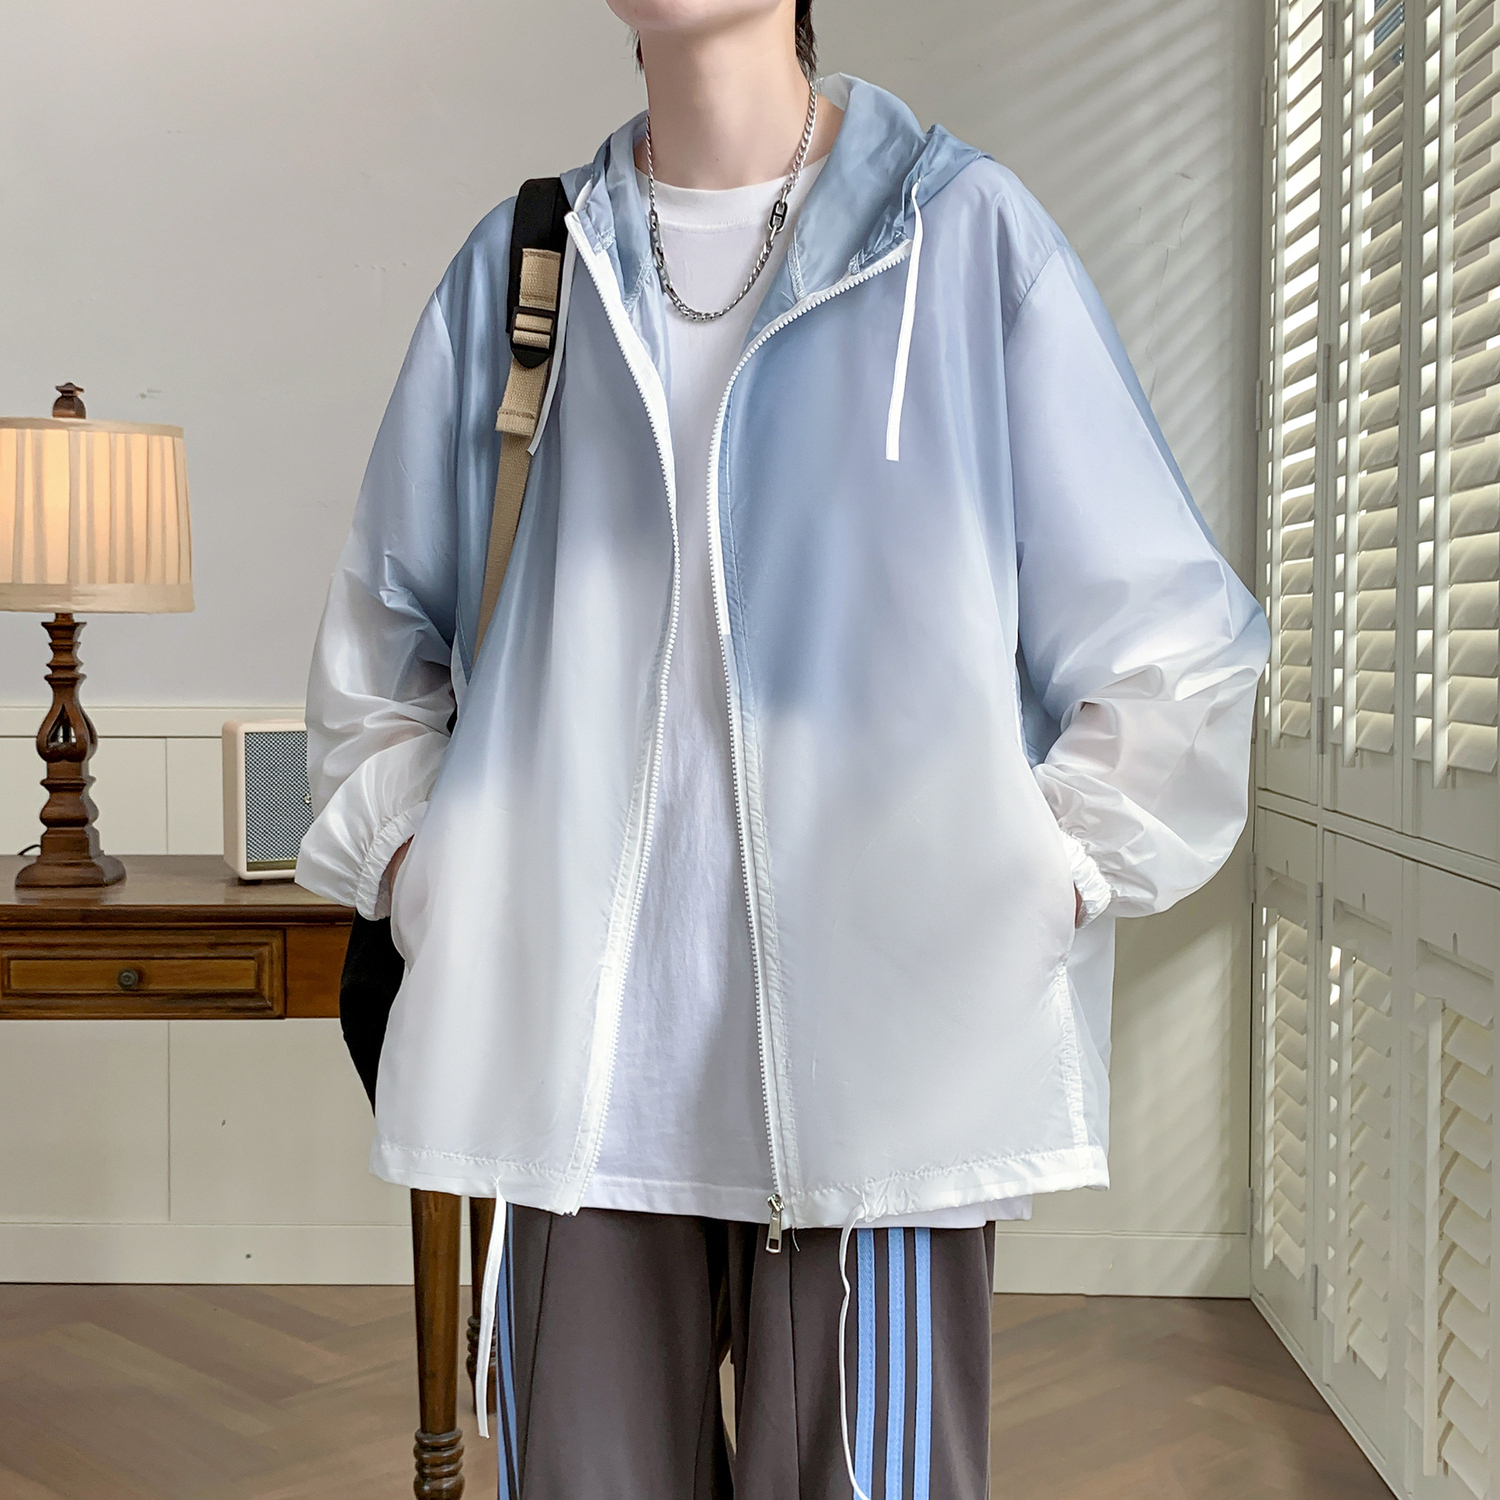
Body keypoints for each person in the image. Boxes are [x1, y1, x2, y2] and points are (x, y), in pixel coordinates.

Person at [295, 1, 1269, 1494]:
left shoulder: (959, 237)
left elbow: (1174, 643)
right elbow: (379, 646)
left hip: (883, 1094)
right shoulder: (526, 269)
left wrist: (1036, 880)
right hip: (567, 1104)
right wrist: (430, 874)